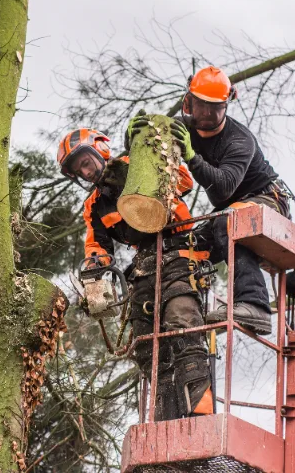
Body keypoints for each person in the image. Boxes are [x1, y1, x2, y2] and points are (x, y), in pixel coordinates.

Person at [58, 128, 213, 421]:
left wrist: (142, 171)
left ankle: (200, 416)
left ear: (100, 151)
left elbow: (184, 180)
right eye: (80, 170)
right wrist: (94, 272)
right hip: (143, 265)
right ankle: (165, 423)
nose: (86, 172)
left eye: (87, 163)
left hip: (179, 250)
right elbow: (97, 246)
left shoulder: (136, 162)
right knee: (145, 346)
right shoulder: (94, 205)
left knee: (182, 324)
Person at [164, 65, 292, 335]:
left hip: (266, 199)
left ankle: (253, 303)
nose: (207, 114)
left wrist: (192, 157)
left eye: (215, 108)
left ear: (227, 106)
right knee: (183, 243)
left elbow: (221, 190)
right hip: (231, 210)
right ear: (189, 102)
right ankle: (187, 315)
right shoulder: (186, 129)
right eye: (201, 107)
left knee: (228, 221)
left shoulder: (239, 140)